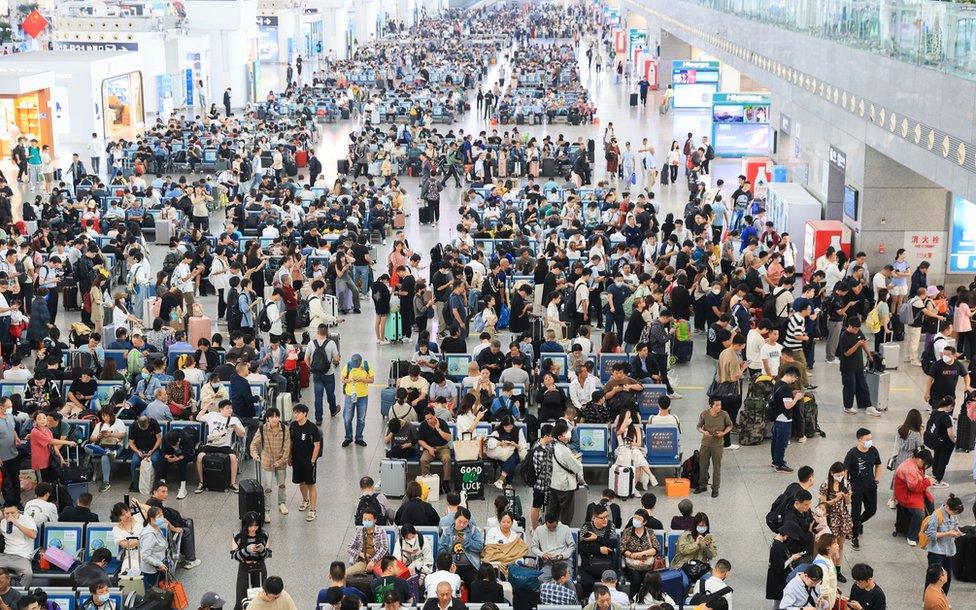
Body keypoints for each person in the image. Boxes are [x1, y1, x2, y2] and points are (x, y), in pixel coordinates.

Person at [194, 400, 246, 493]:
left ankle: (233, 483)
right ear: (221, 409)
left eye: (231, 408)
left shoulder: (234, 419)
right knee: (200, 457)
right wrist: (207, 405)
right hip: (211, 444)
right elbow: (198, 417)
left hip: (225, 446)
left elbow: (242, 434)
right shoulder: (212, 415)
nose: (230, 410)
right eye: (227, 408)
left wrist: (236, 427)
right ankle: (201, 482)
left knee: (233, 458)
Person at [249, 407, 291, 521]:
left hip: (281, 461)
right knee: (267, 487)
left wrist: (280, 461)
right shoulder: (262, 429)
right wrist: (254, 454)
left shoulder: (285, 429)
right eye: (272, 417)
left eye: (276, 416)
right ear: (267, 418)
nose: (274, 419)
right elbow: (253, 444)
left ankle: (282, 504)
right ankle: (266, 510)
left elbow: (287, 448)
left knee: (282, 484)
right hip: (267, 461)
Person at [844, 428, 881, 550]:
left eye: (871, 439)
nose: (870, 441)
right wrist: (846, 486)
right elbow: (845, 471)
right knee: (855, 512)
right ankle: (854, 536)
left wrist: (876, 479)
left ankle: (858, 522)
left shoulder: (873, 450)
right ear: (860, 440)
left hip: (870, 485)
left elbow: (878, 464)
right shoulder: (852, 454)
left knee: (872, 509)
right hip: (856, 487)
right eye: (867, 439)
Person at [837, 315, 881, 416]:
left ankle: (868, 406)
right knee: (850, 386)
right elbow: (846, 353)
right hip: (847, 367)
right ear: (850, 326)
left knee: (863, 386)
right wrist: (857, 344)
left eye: (858, 329)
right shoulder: (844, 336)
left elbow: (863, 343)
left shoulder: (859, 332)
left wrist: (869, 355)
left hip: (858, 365)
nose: (857, 331)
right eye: (855, 329)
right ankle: (847, 406)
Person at [923, 493, 965, 594]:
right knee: (933, 577)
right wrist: (948, 533)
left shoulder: (953, 515)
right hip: (936, 551)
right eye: (954, 512)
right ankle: (929, 598)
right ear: (948, 507)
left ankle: (943, 598)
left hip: (948, 550)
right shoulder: (936, 515)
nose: (955, 514)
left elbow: (955, 526)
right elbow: (930, 534)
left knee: (947, 577)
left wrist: (957, 532)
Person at [577, 504, 619, 599]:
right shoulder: (586, 528)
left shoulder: (610, 526)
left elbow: (614, 544)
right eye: (602, 518)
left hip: (607, 564)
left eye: (606, 516)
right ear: (594, 518)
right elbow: (582, 549)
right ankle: (589, 600)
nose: (605, 520)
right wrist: (599, 549)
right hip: (590, 565)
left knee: (614, 582)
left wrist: (597, 538)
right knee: (587, 583)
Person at [894, 448, 934, 547]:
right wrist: (928, 482)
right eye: (925, 464)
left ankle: (925, 530)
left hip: (914, 491)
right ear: (920, 460)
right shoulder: (909, 468)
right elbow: (914, 487)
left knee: (930, 503)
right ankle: (912, 536)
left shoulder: (916, 463)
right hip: (906, 494)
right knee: (919, 513)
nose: (925, 467)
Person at [231, 512, 271, 610]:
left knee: (261, 597)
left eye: (256, 525)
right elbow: (234, 555)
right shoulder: (237, 536)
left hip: (260, 567)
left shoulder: (264, 535)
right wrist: (246, 550)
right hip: (244, 568)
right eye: (250, 526)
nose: (254, 528)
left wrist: (262, 550)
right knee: (241, 598)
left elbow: (268, 554)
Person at [289, 404, 322, 522]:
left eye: (298, 413)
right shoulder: (293, 426)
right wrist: (289, 456)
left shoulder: (312, 428)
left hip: (308, 461)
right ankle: (305, 500)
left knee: (310, 484)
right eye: (294, 412)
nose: (295, 415)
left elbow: (317, 445)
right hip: (297, 460)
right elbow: (291, 442)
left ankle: (313, 510)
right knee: (301, 482)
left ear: (305, 413)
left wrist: (312, 461)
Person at [619, 508, 662, 596]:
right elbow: (622, 548)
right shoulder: (628, 531)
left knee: (648, 579)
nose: (636, 520)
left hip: (647, 564)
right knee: (636, 580)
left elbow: (656, 548)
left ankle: (645, 599)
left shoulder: (649, 532)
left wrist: (641, 554)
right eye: (635, 518)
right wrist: (631, 555)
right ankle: (632, 599)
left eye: (639, 519)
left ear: (644, 522)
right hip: (632, 565)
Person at [696, 397, 733, 497]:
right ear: (711, 405)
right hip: (705, 444)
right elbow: (698, 427)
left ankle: (715, 488)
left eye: (720, 405)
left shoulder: (724, 414)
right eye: (717, 405)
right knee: (703, 466)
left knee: (717, 467)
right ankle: (702, 485)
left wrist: (723, 433)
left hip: (717, 445)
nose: (719, 407)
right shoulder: (704, 414)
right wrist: (704, 432)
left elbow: (730, 426)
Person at [305, 324, 341, 425]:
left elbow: (306, 358)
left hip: (316, 374)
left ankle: (318, 419)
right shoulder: (331, 343)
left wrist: (311, 367)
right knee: (330, 394)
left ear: (317, 332)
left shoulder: (311, 343)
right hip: (329, 373)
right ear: (327, 333)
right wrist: (334, 359)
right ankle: (333, 410)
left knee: (318, 397)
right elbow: (336, 359)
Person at [440, 508, 483, 583]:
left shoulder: (473, 530)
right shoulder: (447, 531)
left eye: (465, 522)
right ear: (455, 519)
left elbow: (479, 547)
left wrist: (466, 541)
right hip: (452, 565)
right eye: (459, 521)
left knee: (473, 583)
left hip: (469, 564)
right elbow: (441, 549)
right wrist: (450, 549)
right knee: (449, 582)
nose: (462, 525)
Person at [340, 354, 373, 447]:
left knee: (361, 418)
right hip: (350, 395)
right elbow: (343, 379)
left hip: (363, 396)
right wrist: (349, 380)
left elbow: (372, 380)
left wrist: (362, 379)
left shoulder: (366, 365)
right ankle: (348, 437)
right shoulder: (348, 365)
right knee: (347, 418)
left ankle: (359, 438)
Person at [417, 408, 452, 494]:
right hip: (429, 448)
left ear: (435, 416)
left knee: (447, 458)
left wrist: (438, 429)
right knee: (423, 460)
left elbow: (448, 438)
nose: (429, 420)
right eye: (427, 419)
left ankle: (446, 481)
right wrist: (429, 448)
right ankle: (427, 481)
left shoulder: (442, 423)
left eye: (430, 418)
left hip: (443, 447)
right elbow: (420, 440)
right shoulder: (423, 425)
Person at [0, 503, 36, 585]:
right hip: (6, 555)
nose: (10, 515)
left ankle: (19, 595)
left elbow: (33, 535)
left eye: (12, 513)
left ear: (18, 512)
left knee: (28, 574)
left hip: (22, 556)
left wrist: (16, 524)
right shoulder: (3, 522)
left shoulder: (27, 519)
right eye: (7, 513)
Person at [924, 396, 956, 487]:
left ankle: (934, 474)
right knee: (943, 461)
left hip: (935, 441)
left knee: (937, 456)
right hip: (945, 442)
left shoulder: (934, 412)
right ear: (949, 405)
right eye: (952, 407)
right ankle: (937, 479)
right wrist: (954, 441)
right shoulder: (946, 417)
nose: (952, 409)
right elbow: (950, 434)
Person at [138, 506, 169, 590]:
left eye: (162, 515)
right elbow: (145, 555)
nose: (162, 518)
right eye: (159, 517)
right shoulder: (149, 535)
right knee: (153, 593)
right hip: (152, 570)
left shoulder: (156, 528)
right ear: (151, 518)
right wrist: (159, 564)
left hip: (159, 565)